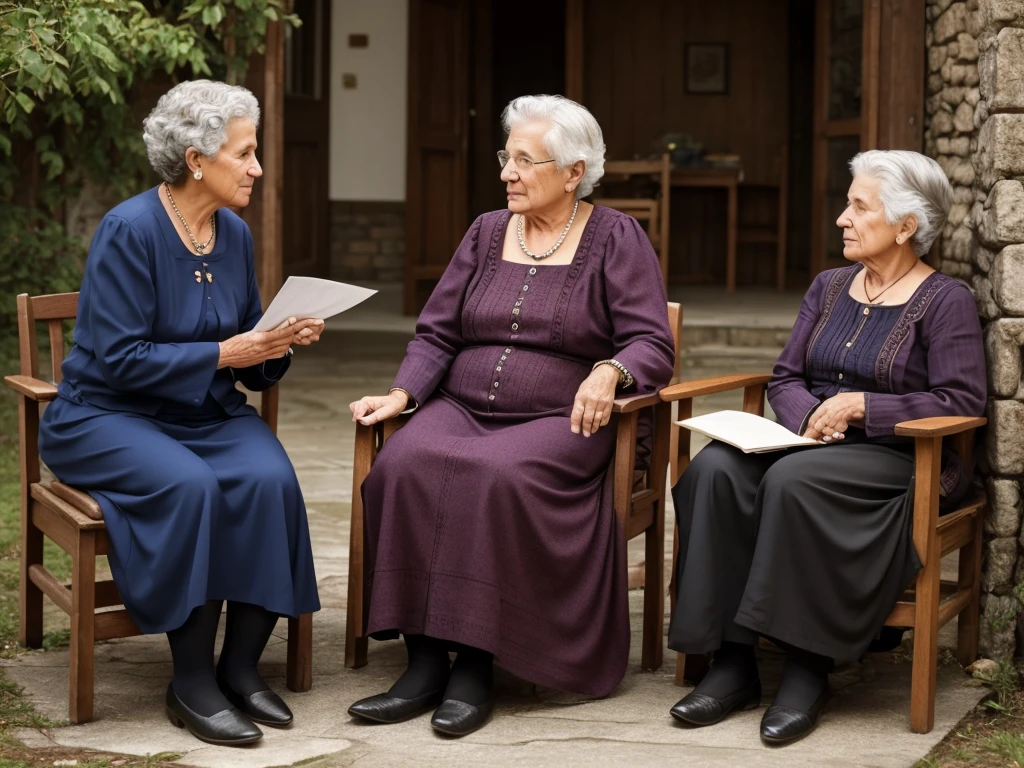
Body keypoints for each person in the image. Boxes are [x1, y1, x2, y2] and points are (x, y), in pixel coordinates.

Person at [347, 95, 675, 737]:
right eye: (507, 157)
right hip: (462, 407)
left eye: (525, 160)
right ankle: (422, 661)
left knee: (494, 476)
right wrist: (404, 395)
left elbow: (651, 343)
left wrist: (610, 371)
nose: (507, 173)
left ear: (573, 171)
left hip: (561, 421)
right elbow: (437, 331)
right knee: (403, 463)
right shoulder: (486, 231)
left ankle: (473, 663)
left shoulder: (616, 237)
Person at [665, 149, 987, 746]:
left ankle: (807, 668)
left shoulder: (946, 302)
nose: (842, 217)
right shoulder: (829, 286)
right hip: (810, 443)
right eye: (848, 204)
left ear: (906, 225)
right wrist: (809, 415)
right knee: (715, 470)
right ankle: (732, 663)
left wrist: (865, 407)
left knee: (793, 483)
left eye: (859, 206)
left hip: (897, 462)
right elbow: (785, 377)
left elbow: (961, 400)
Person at [38, 80, 323, 746]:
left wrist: (276, 343)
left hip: (202, 413)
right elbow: (119, 360)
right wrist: (230, 350)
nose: (257, 168)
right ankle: (190, 682)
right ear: (197, 158)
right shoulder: (129, 230)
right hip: (105, 417)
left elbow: (247, 356)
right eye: (245, 153)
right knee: (190, 487)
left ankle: (241, 669)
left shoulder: (235, 235)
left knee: (271, 482)